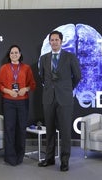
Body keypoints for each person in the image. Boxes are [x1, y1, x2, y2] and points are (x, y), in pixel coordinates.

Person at [38, 30, 81, 171]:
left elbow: (77, 76)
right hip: (49, 98)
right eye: (52, 40)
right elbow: (42, 77)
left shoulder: (70, 57)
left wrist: (67, 88)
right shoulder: (44, 58)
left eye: (57, 40)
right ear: (49, 42)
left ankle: (64, 161)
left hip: (65, 99)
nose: (54, 42)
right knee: (49, 131)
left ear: (61, 42)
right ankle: (49, 158)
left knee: (65, 131)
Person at [0, 45, 36, 166]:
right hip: (8, 101)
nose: (14, 54)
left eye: (16, 52)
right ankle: (10, 157)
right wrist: (8, 91)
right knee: (9, 129)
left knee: (21, 129)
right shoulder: (4, 68)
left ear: (20, 54)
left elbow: (32, 84)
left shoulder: (26, 68)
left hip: (23, 101)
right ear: (9, 55)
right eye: (12, 53)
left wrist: (26, 89)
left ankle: (20, 155)